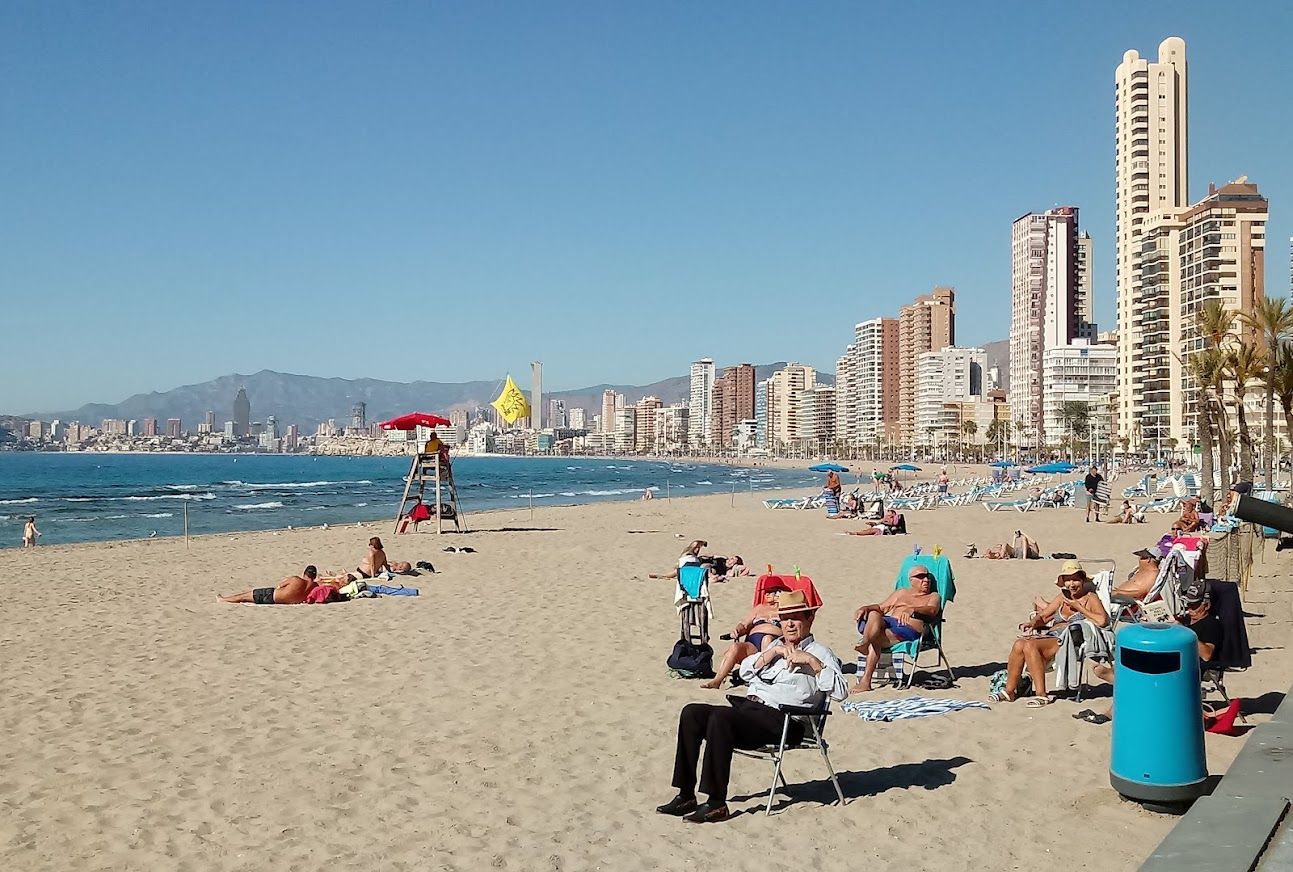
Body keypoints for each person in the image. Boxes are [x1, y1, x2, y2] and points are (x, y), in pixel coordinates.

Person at [657, 590, 846, 823]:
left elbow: (841, 692)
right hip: (752, 712)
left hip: (787, 721)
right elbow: (745, 672)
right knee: (692, 713)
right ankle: (686, 795)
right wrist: (771, 654)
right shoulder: (775, 646)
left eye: (796, 618)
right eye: (784, 619)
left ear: (810, 619)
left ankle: (716, 803)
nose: (789, 624)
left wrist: (812, 663)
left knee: (721, 718)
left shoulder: (821, 653)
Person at [989, 561, 1109, 706]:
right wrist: (1032, 623)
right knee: (1019, 644)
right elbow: (1044, 616)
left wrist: (1078, 607)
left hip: (1070, 640)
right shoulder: (1062, 597)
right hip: (1052, 636)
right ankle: (1009, 691)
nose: (1072, 584)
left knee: (1030, 645)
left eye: (1075, 579)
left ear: (1083, 580)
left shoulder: (1091, 598)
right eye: (1068, 580)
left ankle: (1042, 695)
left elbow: (1102, 620)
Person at [850, 563, 942, 693]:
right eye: (921, 577)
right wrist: (865, 608)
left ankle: (866, 678)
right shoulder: (902, 593)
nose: (926, 580)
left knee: (876, 638)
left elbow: (932, 610)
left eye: (927, 577)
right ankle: (866, 641)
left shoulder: (933, 596)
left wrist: (913, 609)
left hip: (907, 629)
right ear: (911, 580)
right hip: (889, 623)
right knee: (874, 613)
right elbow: (881, 608)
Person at [700, 583, 787, 689]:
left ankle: (763, 677)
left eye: (771, 592)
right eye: (766, 592)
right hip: (753, 644)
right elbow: (744, 625)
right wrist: (737, 630)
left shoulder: (785, 610)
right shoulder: (759, 608)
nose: (767, 594)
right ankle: (717, 681)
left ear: (779, 593)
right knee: (735, 647)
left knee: (767, 639)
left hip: (774, 643)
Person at [219, 566, 321, 604]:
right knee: (246, 598)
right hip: (282, 601)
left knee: (245, 596)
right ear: (314, 576)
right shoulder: (315, 587)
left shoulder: (296, 579)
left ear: (304, 573)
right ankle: (225, 599)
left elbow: (280, 586)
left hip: (272, 596)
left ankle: (223, 599)